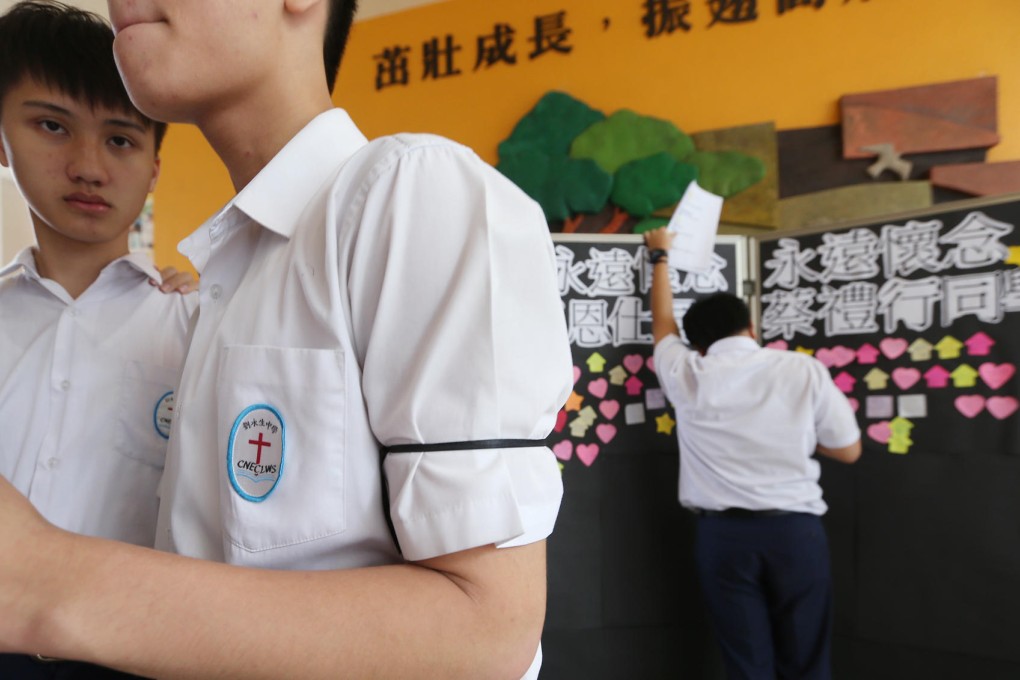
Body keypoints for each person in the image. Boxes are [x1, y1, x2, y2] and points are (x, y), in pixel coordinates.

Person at [0, 0, 572, 678]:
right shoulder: (229, 280)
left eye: (119, 140)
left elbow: (488, 633)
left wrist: (51, 583)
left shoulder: (406, 189)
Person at [0, 2, 197, 677]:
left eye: (120, 139)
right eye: (52, 126)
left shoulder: (196, 326)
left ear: (154, 167)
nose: (88, 166)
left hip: (138, 654)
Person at [643, 227, 861, 680]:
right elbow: (848, 451)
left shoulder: (688, 371)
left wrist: (659, 257)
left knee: (746, 663)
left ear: (698, 343)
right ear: (752, 327)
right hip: (795, 533)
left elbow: (663, 325)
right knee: (807, 660)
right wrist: (798, 435)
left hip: (723, 538)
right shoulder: (802, 369)